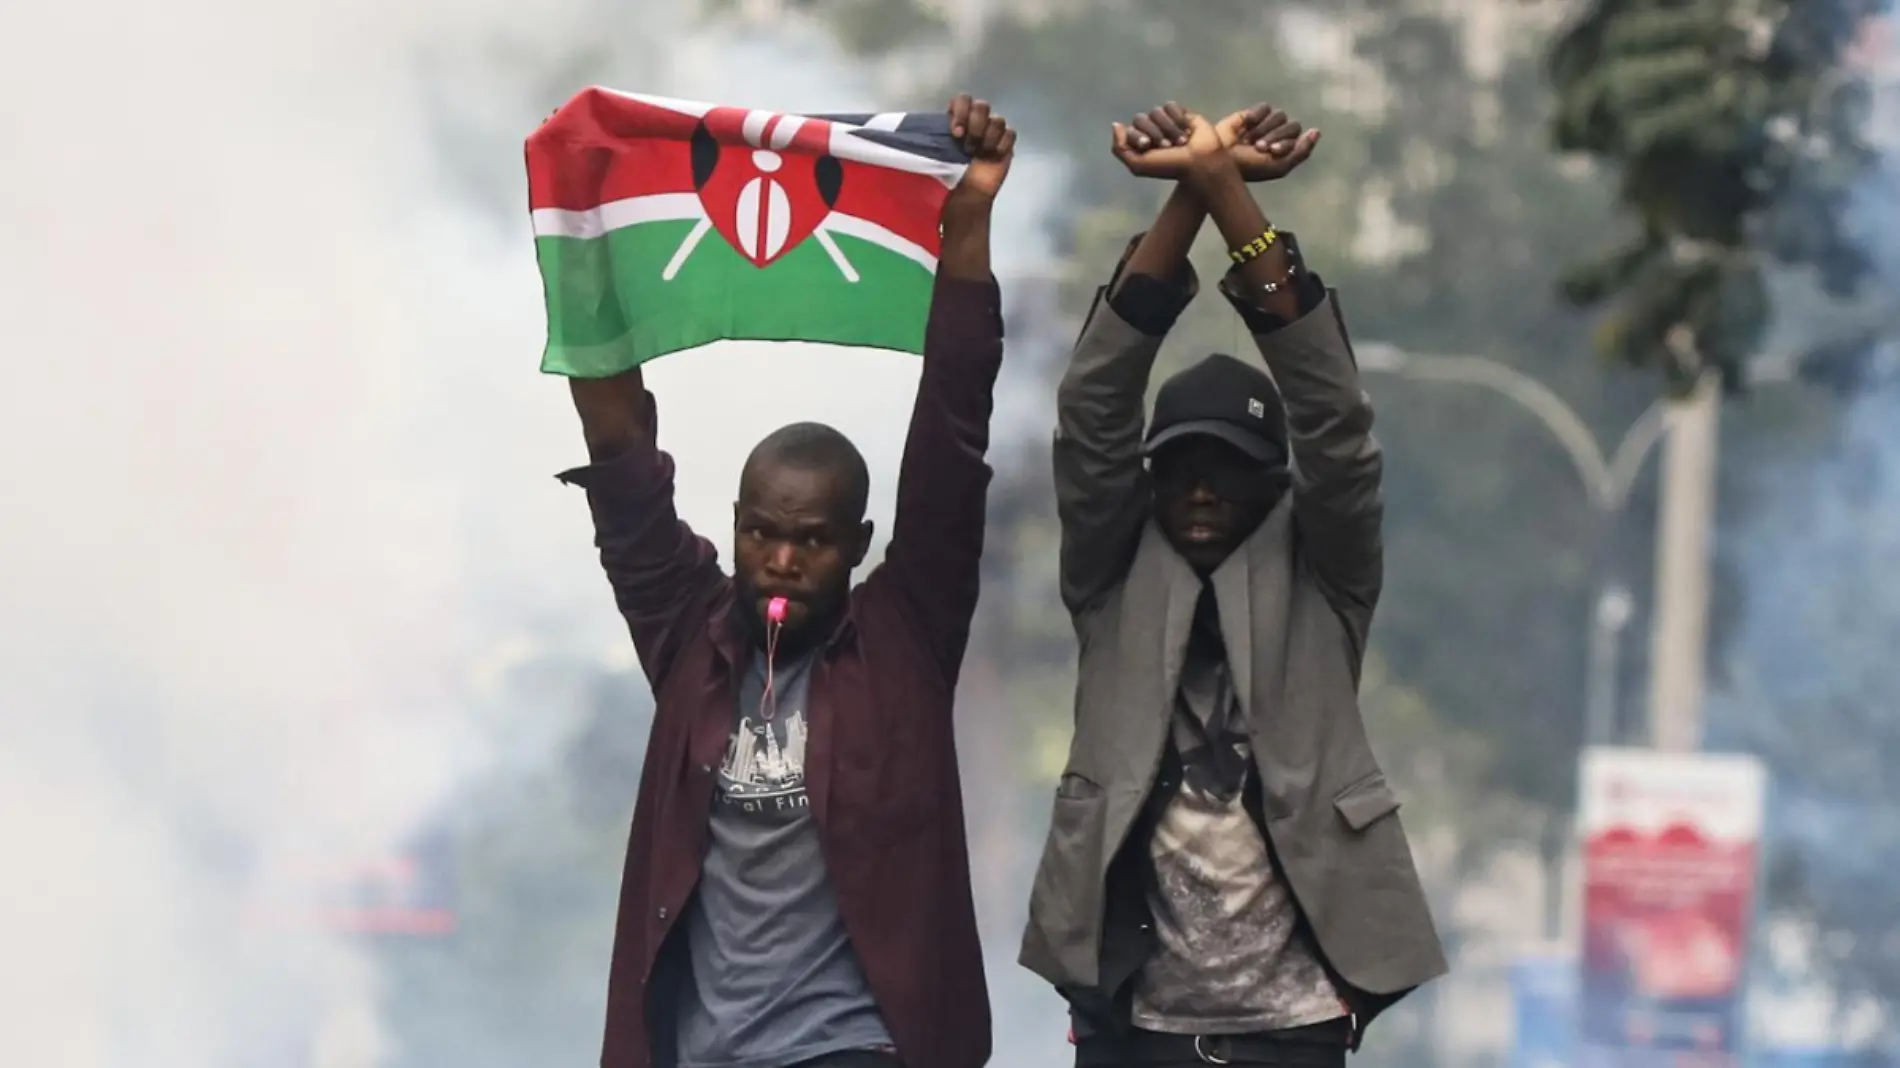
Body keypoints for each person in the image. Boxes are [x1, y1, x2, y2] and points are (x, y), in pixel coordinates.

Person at [557, 94, 1016, 1068]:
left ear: (857, 544)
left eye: (809, 540)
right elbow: (622, 461)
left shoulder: (906, 637)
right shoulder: (691, 638)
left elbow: (952, 434)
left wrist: (967, 219)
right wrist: (581, 236)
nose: (779, 557)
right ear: (735, 528)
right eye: (761, 532)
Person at [1017, 101, 1447, 1068]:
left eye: (1228, 467)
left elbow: (1334, 424)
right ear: (1152, 476)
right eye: (1180, 466)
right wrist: (1190, 193)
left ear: (1273, 481)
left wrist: (1233, 201)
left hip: (1295, 1024)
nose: (1201, 488)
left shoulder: (1327, 575)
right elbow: (1092, 411)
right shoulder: (1109, 571)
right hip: (1134, 1024)